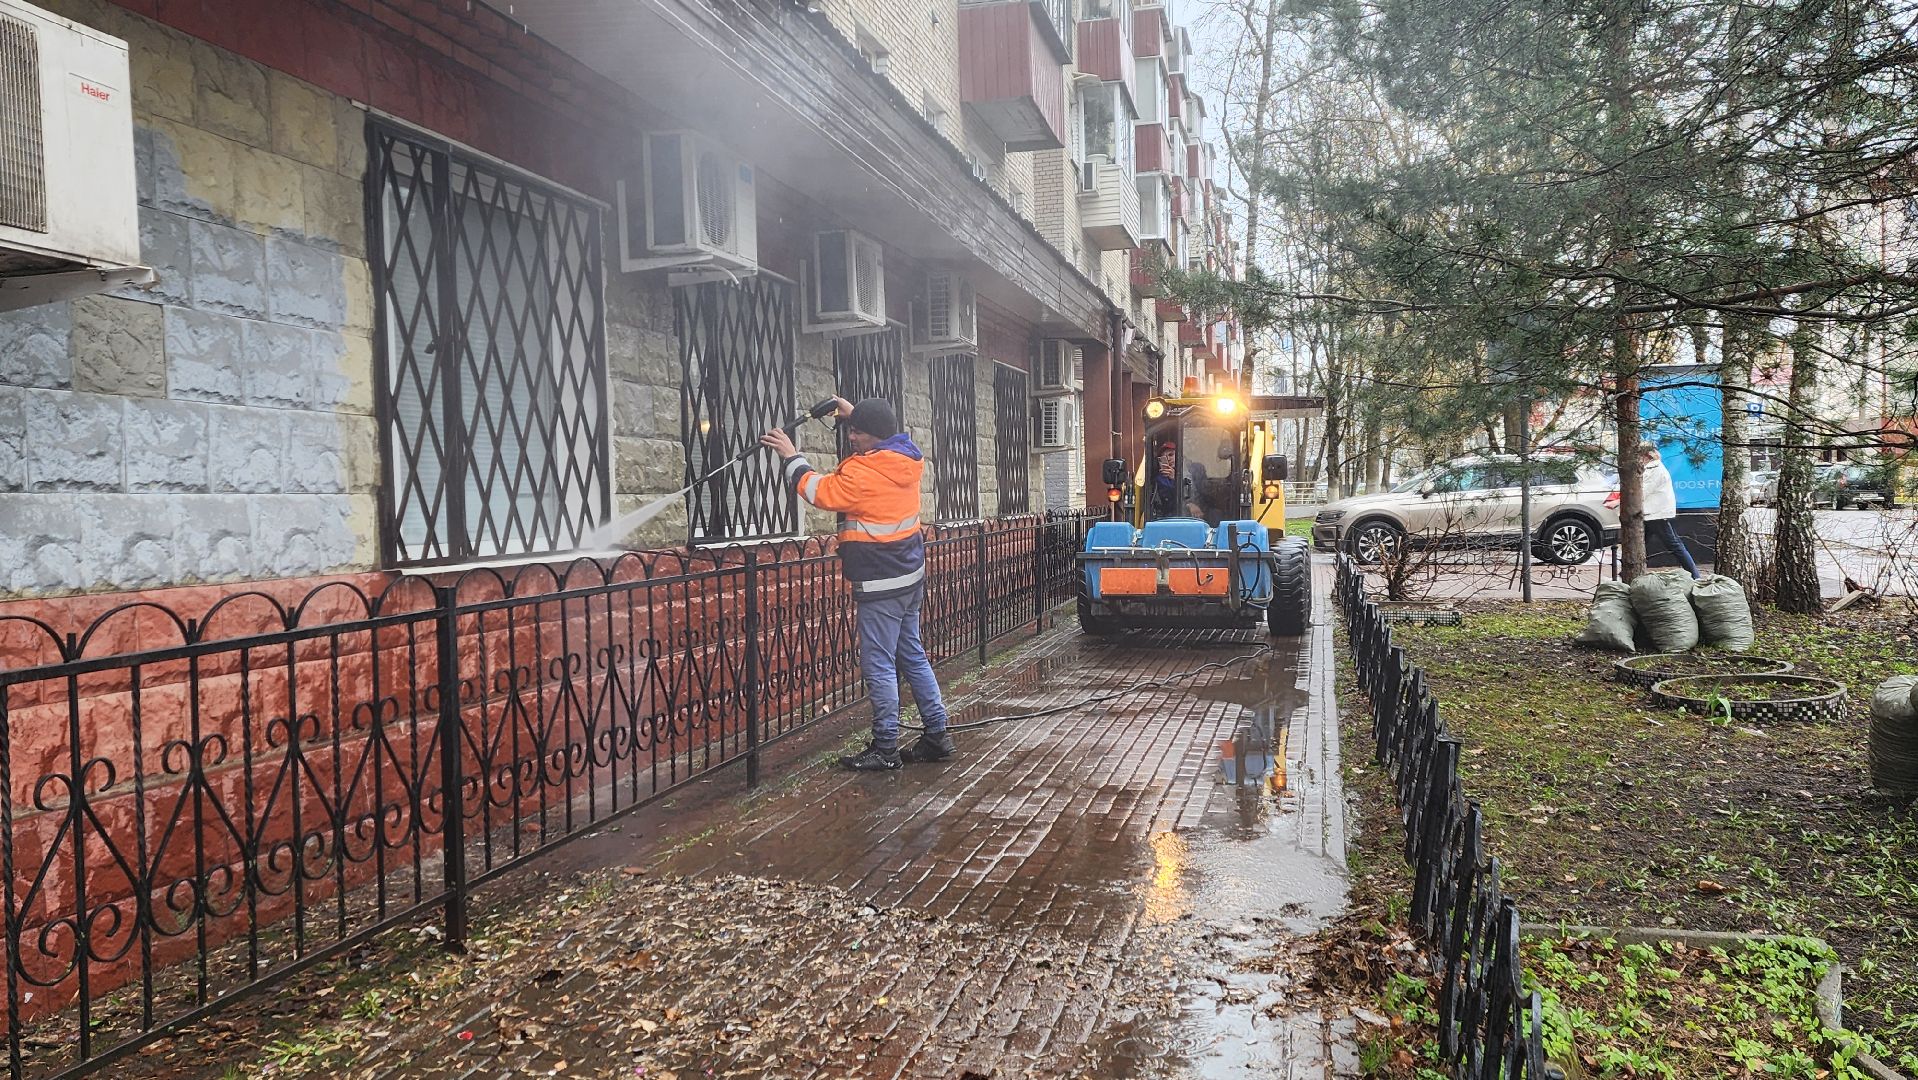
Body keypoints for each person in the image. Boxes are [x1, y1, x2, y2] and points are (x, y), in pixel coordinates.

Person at [760, 397, 953, 771]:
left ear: (874, 436)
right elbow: (884, 433)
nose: (851, 437)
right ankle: (937, 734)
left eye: (857, 432)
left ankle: (885, 748)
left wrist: (790, 455)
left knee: (879, 664)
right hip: (910, 575)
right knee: (911, 654)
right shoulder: (906, 455)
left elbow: (820, 491)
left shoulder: (864, 473)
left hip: (880, 581)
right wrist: (855, 414)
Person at [1640, 444, 1705, 580]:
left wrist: (1618, 502)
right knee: (1642, 545)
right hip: (1653, 512)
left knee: (1675, 545)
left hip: (1655, 513)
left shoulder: (1654, 469)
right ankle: (1694, 574)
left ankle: (1695, 575)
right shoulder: (1653, 468)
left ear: (1646, 456)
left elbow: (1643, 491)